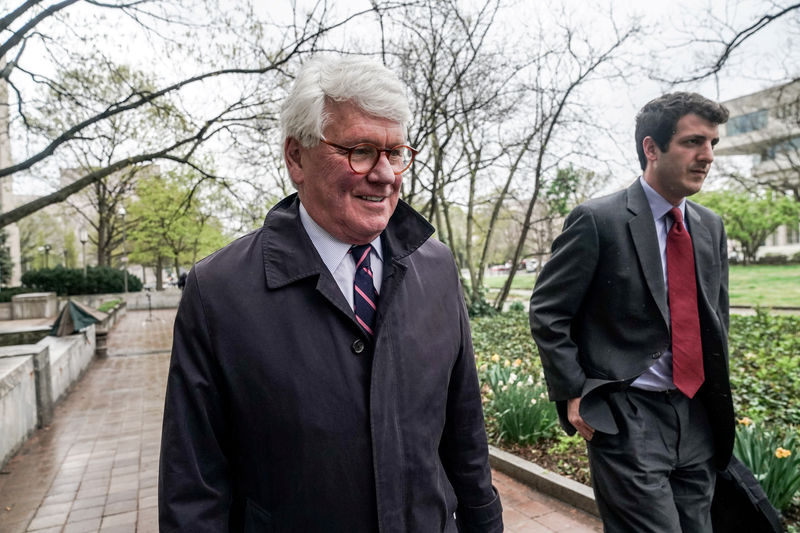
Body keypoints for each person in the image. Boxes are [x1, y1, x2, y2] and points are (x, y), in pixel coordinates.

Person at [158, 55, 503, 532]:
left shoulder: (438, 266)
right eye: (360, 150)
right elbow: (193, 487)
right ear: (296, 158)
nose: (384, 174)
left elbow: (466, 433)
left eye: (396, 152)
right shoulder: (218, 292)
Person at [529, 92, 734, 532]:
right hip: (628, 415)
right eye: (694, 142)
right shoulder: (597, 220)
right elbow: (549, 311)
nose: (707, 156)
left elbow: (716, 319)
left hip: (696, 416)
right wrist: (574, 392)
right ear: (651, 147)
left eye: (713, 143)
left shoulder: (710, 226)